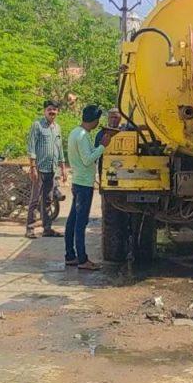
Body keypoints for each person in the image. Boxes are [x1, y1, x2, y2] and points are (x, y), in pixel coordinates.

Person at [66, 105, 112, 271]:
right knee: (80, 222)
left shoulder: (74, 132)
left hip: (78, 181)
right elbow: (87, 160)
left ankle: (70, 255)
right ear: (94, 120)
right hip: (84, 183)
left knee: (72, 220)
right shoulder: (83, 136)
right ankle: (82, 259)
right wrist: (103, 146)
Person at [26, 100, 68, 239]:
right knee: (35, 199)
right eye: (50, 109)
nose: (52, 112)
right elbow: (31, 147)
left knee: (48, 199)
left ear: (57, 112)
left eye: (55, 110)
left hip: (52, 169)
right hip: (39, 168)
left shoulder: (57, 128)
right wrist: (33, 167)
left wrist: (63, 168)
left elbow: (59, 148)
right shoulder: (37, 125)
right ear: (45, 111)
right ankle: (30, 229)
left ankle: (47, 228)